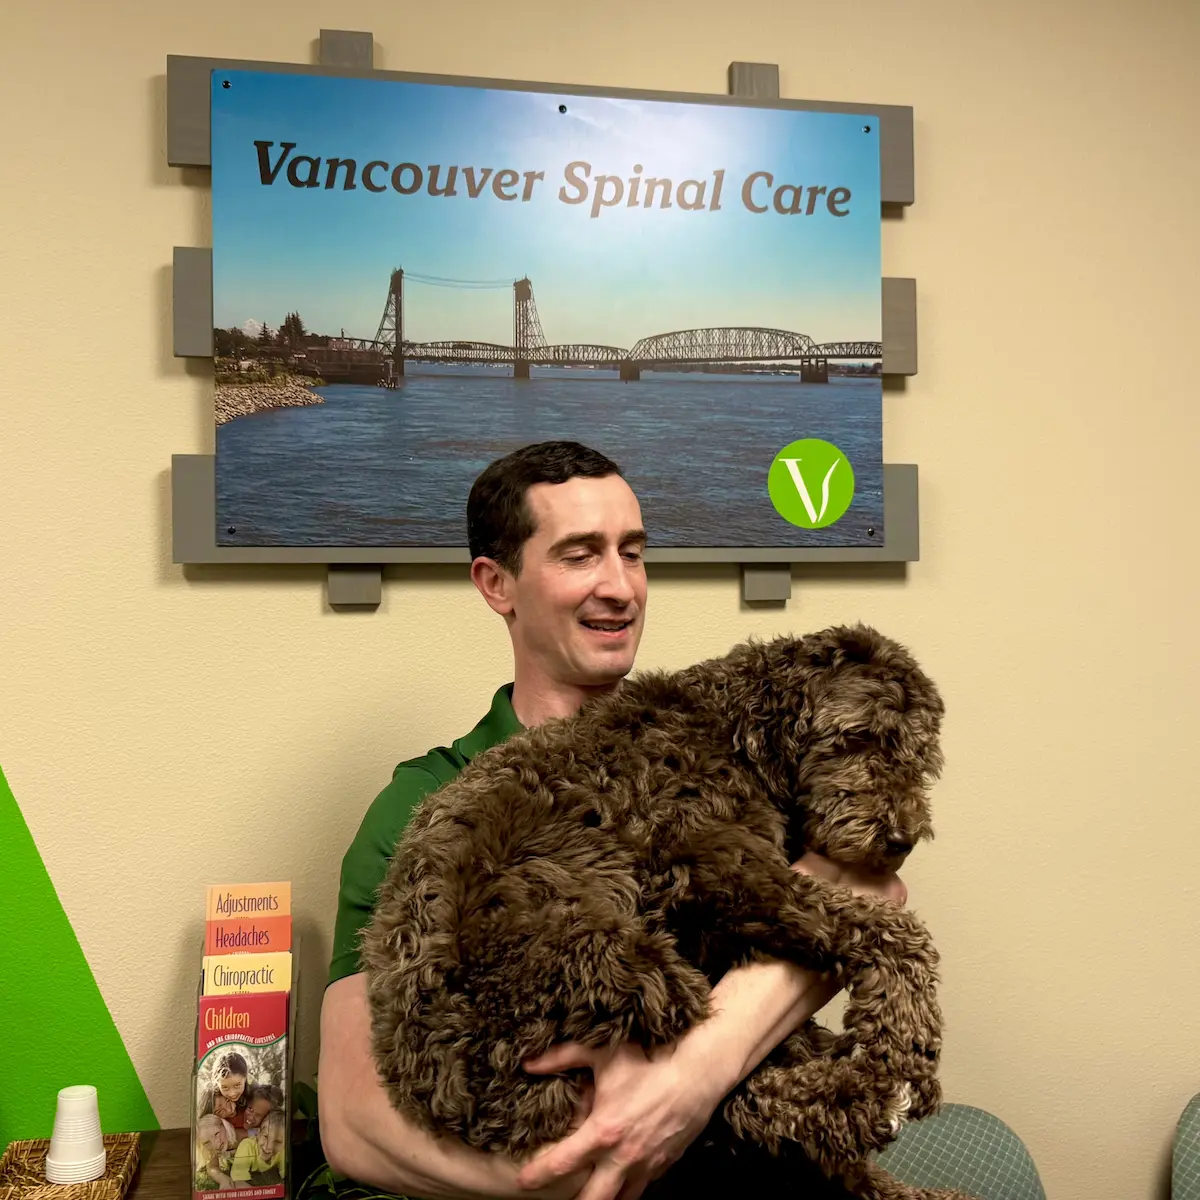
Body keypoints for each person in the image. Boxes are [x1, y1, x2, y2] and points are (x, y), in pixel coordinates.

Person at [313, 441, 909, 1200]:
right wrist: (599, 1163)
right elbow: (353, 1121)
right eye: (579, 555)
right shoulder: (424, 800)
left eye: (633, 552)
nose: (621, 587)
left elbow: (869, 887)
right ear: (497, 584)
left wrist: (690, 1076)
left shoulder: (722, 754)